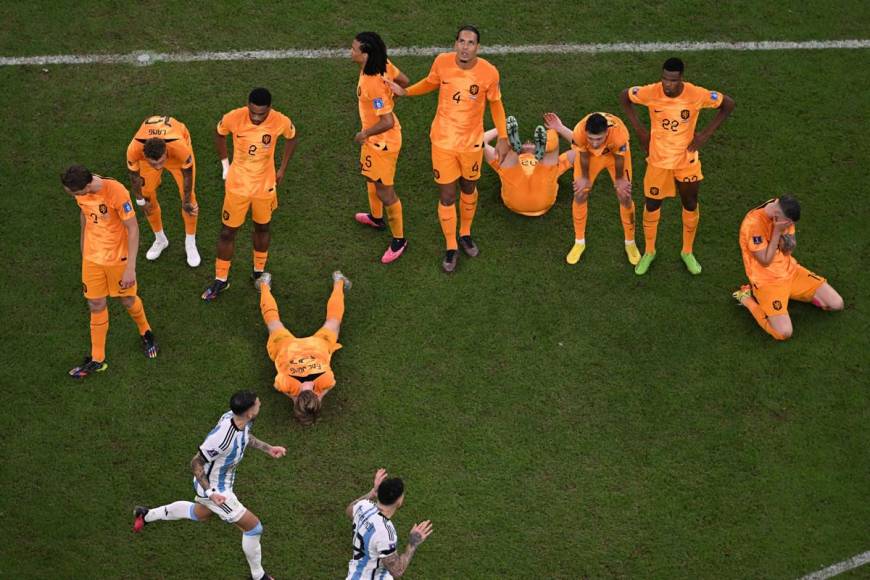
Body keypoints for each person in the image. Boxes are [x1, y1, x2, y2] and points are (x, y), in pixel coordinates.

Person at [390, 25, 510, 273]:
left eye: (471, 43)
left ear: (478, 47)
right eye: (462, 41)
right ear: (455, 43)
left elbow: (496, 104)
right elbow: (430, 82)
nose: (465, 47)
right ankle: (451, 245)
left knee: (469, 187)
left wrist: (503, 137)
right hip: (443, 143)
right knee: (447, 196)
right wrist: (406, 92)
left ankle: (465, 232)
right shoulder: (442, 62)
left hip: (472, 144)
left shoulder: (489, 73)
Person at [133, 390, 286, 580]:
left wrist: (268, 448)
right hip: (216, 490)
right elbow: (195, 463)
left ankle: (146, 515)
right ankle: (258, 576)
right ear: (249, 412)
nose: (260, 402)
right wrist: (211, 492)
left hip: (220, 485)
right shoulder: (222, 439)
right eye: (257, 402)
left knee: (200, 514)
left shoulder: (239, 419)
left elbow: (246, 437)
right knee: (254, 528)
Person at [620, 57, 735, 275]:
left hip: (686, 159)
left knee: (690, 203)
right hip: (658, 160)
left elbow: (728, 104)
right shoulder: (650, 92)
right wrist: (640, 130)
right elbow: (624, 96)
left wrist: (705, 134)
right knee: (652, 204)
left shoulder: (697, 94)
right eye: (664, 79)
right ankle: (650, 251)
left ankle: (687, 252)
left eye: (672, 80)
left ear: (681, 78)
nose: (667, 85)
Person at [62, 165, 158, 378]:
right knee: (95, 303)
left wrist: (130, 269)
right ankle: (97, 359)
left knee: (127, 300)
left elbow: (133, 229)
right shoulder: (78, 190)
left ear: (87, 185)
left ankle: (146, 332)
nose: (74, 196)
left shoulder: (116, 192)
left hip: (118, 259)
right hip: (93, 258)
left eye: (76, 193)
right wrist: (83, 247)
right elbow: (85, 214)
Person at [203, 88, 298, 300]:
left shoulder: (280, 121)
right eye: (252, 112)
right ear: (247, 104)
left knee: (262, 227)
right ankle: (221, 279)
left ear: (269, 109)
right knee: (228, 232)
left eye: (261, 114)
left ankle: (259, 272)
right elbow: (219, 134)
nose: (256, 118)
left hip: (264, 187)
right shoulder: (233, 117)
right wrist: (225, 165)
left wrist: (282, 169)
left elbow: (292, 137)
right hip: (237, 186)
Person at [733, 195, 843, 340]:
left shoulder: (782, 212)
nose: (790, 225)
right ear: (778, 214)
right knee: (784, 333)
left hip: (791, 271)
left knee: (837, 303)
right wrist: (777, 232)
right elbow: (765, 261)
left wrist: (784, 232)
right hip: (767, 282)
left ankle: (797, 295)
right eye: (788, 222)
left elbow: (789, 250)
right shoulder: (753, 225)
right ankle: (746, 298)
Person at [255, 270, 351, 425]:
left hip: (316, 346)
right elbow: (277, 385)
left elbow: (330, 385)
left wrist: (320, 396)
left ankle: (339, 281)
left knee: (333, 321)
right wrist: (293, 397)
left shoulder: (326, 380)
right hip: (287, 347)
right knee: (274, 322)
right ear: (296, 402)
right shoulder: (285, 383)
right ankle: (263, 284)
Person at [544, 111, 640, 265]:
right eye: (591, 138)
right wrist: (584, 178)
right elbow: (582, 154)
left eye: (599, 139)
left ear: (607, 132)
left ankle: (630, 242)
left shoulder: (619, 135)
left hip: (613, 157)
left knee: (625, 196)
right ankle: (579, 242)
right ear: (586, 133)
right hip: (589, 156)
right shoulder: (580, 132)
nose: (594, 143)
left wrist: (621, 179)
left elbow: (619, 158)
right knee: (580, 194)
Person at [351, 31, 411, 263]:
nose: (351, 51)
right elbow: (403, 82)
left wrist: (364, 133)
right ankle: (376, 218)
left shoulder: (372, 84)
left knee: (386, 192)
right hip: (375, 142)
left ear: (365, 54)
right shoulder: (383, 64)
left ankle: (399, 239)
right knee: (371, 179)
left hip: (382, 144)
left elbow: (387, 121)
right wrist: (391, 96)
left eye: (355, 48)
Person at [126, 115, 201, 267]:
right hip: (156, 150)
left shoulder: (179, 147)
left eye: (160, 162)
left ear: (165, 151)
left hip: (175, 152)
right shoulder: (134, 149)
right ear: (144, 155)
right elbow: (134, 176)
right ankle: (160, 239)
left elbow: (188, 174)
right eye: (154, 163)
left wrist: (186, 201)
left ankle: (190, 242)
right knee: (146, 197)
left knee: (190, 199)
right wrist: (140, 201)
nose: (158, 166)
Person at [345, 468, 433, 579]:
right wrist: (413, 543)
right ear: (399, 501)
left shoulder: (363, 506)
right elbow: (397, 571)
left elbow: (349, 510)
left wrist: (372, 492)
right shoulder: (385, 533)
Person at [483, 117, 573, 217]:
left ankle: (514, 148)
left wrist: (560, 128)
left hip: (516, 199)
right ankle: (548, 145)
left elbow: (480, 141)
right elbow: (581, 150)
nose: (529, 142)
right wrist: (560, 129)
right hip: (541, 199)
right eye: (526, 142)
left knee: (508, 165)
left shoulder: (505, 162)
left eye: (532, 143)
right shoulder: (506, 161)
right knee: (550, 163)